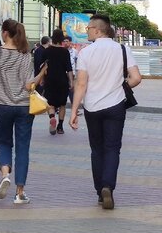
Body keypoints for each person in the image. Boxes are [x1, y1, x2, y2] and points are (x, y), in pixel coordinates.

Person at [69, 13, 142, 210]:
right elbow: (136, 77)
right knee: (112, 148)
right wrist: (121, 86)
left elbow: (81, 84)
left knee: (97, 149)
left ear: (98, 30)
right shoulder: (122, 49)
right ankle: (108, 186)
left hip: (93, 106)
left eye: (89, 28)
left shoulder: (85, 53)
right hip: (116, 105)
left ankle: (100, 191)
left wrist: (74, 110)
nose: (87, 31)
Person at [0, 18, 45, 205]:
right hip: (23, 106)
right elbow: (29, 85)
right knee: (22, 147)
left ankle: (5, 174)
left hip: (1, 104)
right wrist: (43, 72)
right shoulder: (26, 55)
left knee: (4, 142)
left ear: (4, 33)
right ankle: (20, 192)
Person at [42, 30, 74, 135]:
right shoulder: (65, 52)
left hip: (49, 80)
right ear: (61, 39)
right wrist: (71, 82)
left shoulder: (47, 51)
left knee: (50, 103)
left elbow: (43, 67)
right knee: (62, 105)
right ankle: (60, 127)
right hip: (62, 80)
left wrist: (42, 79)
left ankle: (52, 117)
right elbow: (69, 68)